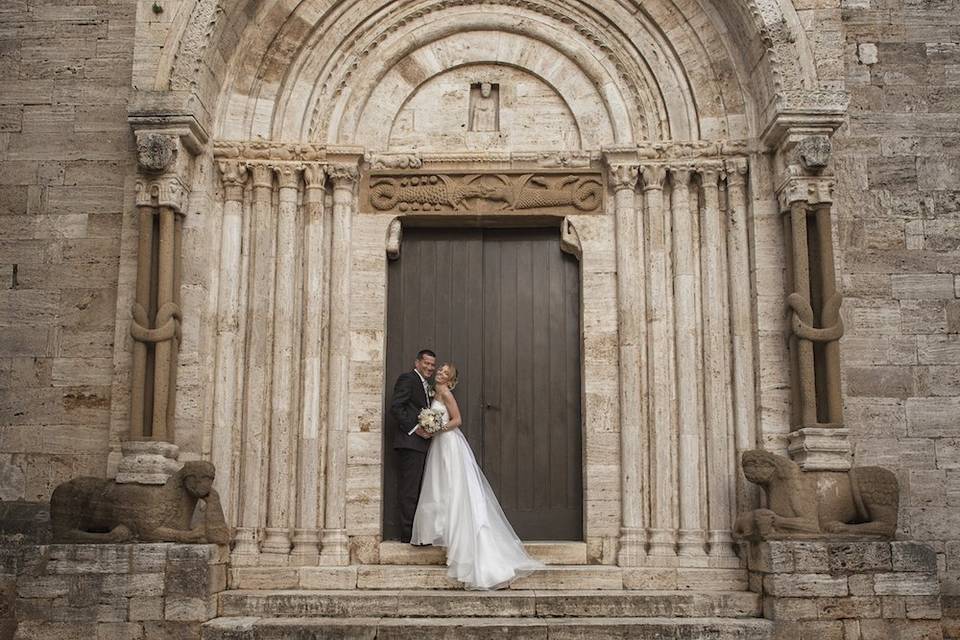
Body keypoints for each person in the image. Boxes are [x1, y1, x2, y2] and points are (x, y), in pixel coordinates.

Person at [412, 362, 543, 589]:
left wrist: (437, 428)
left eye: (445, 373)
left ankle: (459, 541)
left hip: (449, 444)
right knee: (441, 487)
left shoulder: (445, 393)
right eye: (440, 371)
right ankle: (445, 532)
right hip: (439, 446)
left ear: (450, 379)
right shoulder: (435, 391)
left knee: (454, 488)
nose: (441, 374)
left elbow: (457, 420)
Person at [389, 349, 436, 544]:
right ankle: (407, 534)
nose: (430, 368)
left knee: (418, 488)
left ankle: (419, 532)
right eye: (426, 363)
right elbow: (397, 407)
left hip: (422, 444)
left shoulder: (427, 386)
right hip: (410, 443)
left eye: (433, 365)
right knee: (409, 489)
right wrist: (416, 429)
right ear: (417, 362)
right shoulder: (408, 379)